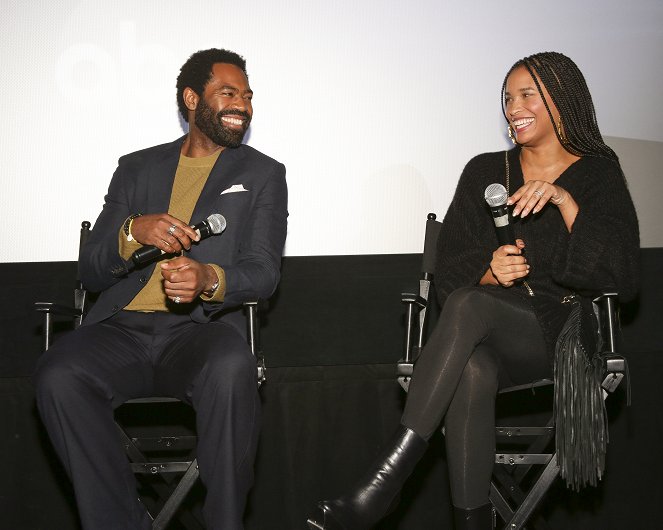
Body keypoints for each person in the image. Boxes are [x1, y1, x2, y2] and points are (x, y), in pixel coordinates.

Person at [307, 51, 639, 529]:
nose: (513, 107)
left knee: (469, 306)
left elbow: (623, 276)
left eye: (528, 95)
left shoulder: (598, 172)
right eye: (507, 98)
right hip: (494, 330)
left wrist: (565, 202)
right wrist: (489, 271)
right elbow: (451, 270)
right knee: (471, 368)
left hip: (565, 332)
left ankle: (382, 486)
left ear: (562, 101)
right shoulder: (485, 170)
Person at [34, 48, 288, 530]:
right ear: (193, 99)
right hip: (121, 331)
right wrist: (133, 233)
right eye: (228, 93)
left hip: (198, 333)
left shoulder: (262, 174)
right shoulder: (135, 169)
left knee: (232, 368)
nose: (243, 104)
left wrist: (210, 279)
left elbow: (264, 271)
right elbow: (90, 271)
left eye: (248, 95)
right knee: (57, 374)